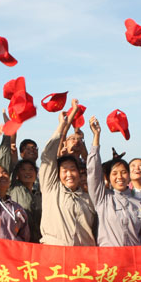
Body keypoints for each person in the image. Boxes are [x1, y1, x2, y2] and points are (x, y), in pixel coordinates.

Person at [87, 116, 141, 246]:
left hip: (134, 256)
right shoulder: (102, 199)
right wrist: (96, 137)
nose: (119, 177)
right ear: (108, 177)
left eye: (123, 172)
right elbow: (93, 172)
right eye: (114, 173)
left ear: (129, 176)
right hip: (109, 256)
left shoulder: (139, 203)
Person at [39, 101, 96, 246]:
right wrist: (62, 125)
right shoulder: (51, 188)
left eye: (73, 169)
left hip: (83, 255)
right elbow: (48, 155)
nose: (69, 174)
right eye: (65, 170)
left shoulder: (87, 198)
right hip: (55, 252)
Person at [9, 159, 42, 242]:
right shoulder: (14, 188)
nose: (27, 172)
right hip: (19, 240)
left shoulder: (39, 194)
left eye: (31, 169)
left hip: (38, 242)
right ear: (17, 174)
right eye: (23, 170)